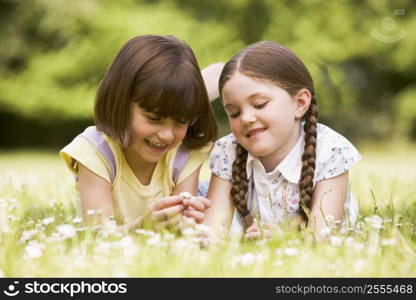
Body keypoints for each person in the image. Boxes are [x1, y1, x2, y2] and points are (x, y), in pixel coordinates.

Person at [204, 41, 361, 241]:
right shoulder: (228, 150)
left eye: (259, 105)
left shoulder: (329, 149)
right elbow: (212, 230)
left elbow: (324, 236)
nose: (246, 118)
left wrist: (284, 238)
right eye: (234, 113)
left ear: (300, 103)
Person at [60, 35, 218, 233]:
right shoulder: (96, 152)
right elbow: (98, 234)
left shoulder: (184, 151)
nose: (167, 136)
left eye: (181, 121)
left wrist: (184, 223)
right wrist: (142, 228)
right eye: (154, 118)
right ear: (121, 103)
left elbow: (181, 227)